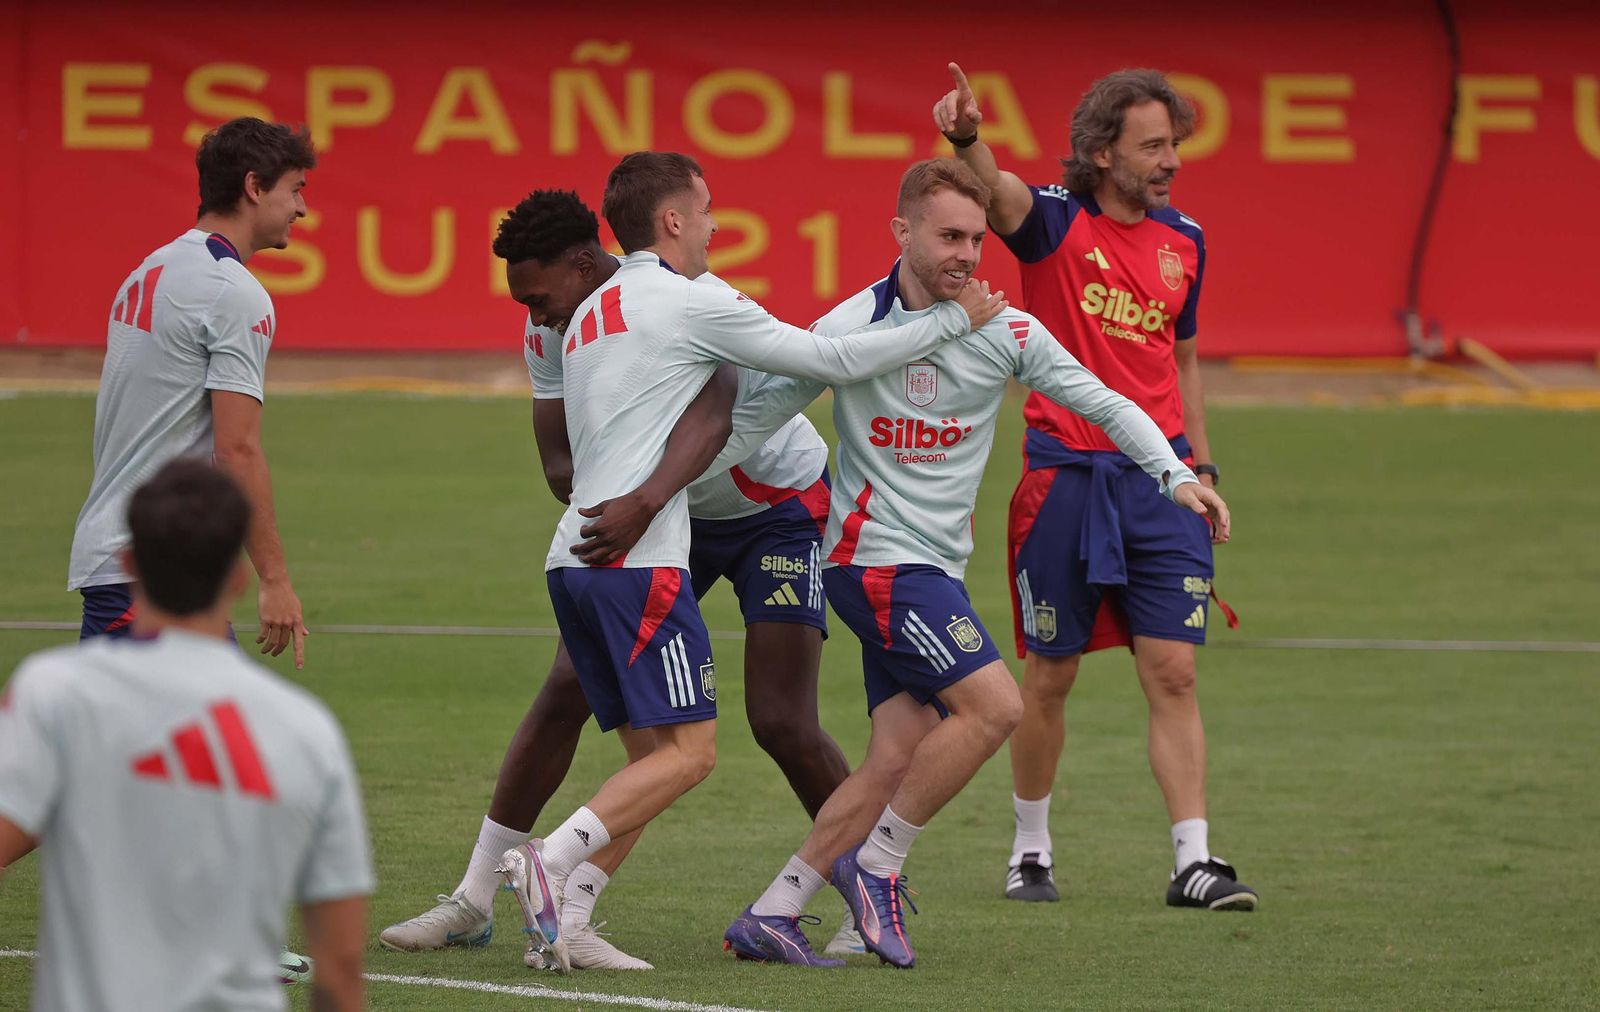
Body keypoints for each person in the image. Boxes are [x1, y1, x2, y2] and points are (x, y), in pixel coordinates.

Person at [496, 151, 1006, 973]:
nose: (714, 223)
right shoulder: (693, 299)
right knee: (690, 755)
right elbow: (831, 362)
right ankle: (547, 862)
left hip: (577, 556)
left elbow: (606, 444)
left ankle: (573, 914)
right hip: (642, 560)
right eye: (705, 209)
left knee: (652, 758)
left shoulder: (588, 316)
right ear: (672, 221)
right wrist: (954, 322)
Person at [722, 158, 1230, 969]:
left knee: (897, 753)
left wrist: (1176, 475)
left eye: (976, 238)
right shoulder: (852, 325)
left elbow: (1103, 401)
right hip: (874, 560)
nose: (966, 254)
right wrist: (660, 494)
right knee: (995, 707)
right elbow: (760, 413)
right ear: (902, 233)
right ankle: (876, 867)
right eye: (948, 236)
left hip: (933, 571)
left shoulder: (1005, 329)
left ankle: (775, 910)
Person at [378, 190, 858, 967]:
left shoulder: (685, 297)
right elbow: (558, 460)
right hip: (661, 516)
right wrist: (618, 499)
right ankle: (482, 900)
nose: (535, 318)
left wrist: (643, 496)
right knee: (575, 689)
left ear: (582, 264)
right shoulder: (554, 324)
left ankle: (867, 898)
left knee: (781, 720)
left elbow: (722, 413)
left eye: (539, 298)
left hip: (772, 506)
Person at [932, 63, 1256, 910]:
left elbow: (1183, 360)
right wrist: (965, 136)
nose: (1170, 161)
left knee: (1174, 672)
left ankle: (1194, 861)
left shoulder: (1186, 240)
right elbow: (993, 189)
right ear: (1103, 152)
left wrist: (1201, 469)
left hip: (1162, 485)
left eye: (1173, 144)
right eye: (1152, 146)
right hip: (1065, 482)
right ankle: (1030, 850)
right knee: (1050, 675)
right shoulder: (1054, 222)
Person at [0, 460, 373, 1012]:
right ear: (238, 578)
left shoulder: (51, 692)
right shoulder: (305, 729)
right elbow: (340, 966)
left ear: (128, 563)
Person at [68, 116, 312, 670]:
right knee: (207, 719)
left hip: (130, 557)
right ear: (254, 187)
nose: (302, 208)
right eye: (295, 190)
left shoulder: (151, 269)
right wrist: (275, 580)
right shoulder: (232, 292)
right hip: (146, 567)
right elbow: (237, 449)